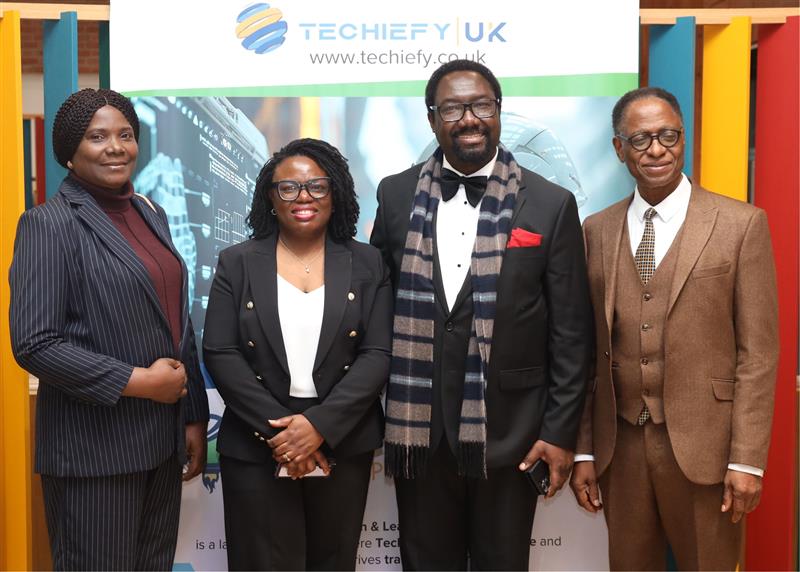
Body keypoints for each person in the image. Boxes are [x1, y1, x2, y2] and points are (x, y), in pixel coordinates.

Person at [370, 59, 593, 570]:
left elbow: (571, 333)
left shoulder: (551, 203)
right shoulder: (395, 194)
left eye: (481, 105)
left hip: (513, 433)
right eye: (452, 108)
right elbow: (379, 303)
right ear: (432, 119)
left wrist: (559, 433)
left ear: (498, 112)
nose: (469, 118)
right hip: (418, 432)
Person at [569, 87, 779, 570]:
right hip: (620, 448)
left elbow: (759, 354)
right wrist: (583, 450)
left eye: (668, 136)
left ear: (683, 139)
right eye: (641, 139)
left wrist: (746, 460)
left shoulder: (740, 224)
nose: (657, 150)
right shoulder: (596, 230)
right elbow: (585, 351)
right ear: (619, 148)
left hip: (709, 451)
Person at [9, 88, 209, 571]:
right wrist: (139, 382)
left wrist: (192, 416)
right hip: (93, 453)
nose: (115, 147)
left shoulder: (150, 213)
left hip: (160, 443)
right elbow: (35, 343)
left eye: (125, 135)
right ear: (69, 153)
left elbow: (174, 319)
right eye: (97, 137)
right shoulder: (48, 224)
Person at [202, 138, 392, 570]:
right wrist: (287, 436)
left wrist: (319, 426)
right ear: (270, 198)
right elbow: (220, 351)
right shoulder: (237, 262)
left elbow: (378, 353)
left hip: (342, 443)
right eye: (288, 188)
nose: (303, 197)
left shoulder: (369, 263)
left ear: (335, 194)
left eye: (317, 186)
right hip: (257, 444)